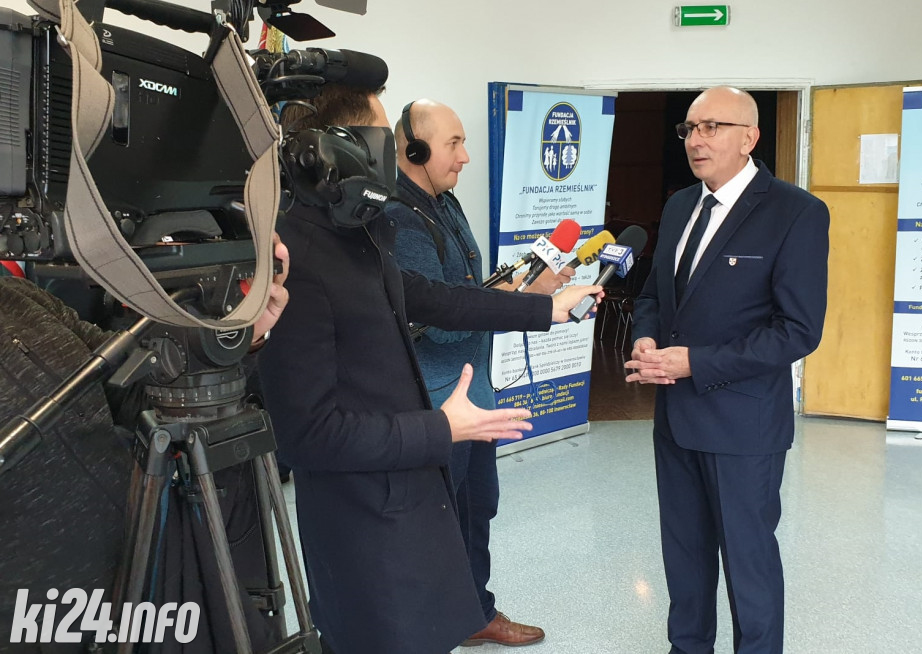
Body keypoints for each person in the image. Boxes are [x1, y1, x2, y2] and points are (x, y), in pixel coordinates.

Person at [259, 86, 602, 654]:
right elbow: (308, 435)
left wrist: (546, 309)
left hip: (401, 486)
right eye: (381, 138)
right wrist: (441, 428)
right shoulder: (299, 256)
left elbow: (437, 298)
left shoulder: (359, 236)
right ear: (342, 149)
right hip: (361, 515)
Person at [0, 237, 291, 652]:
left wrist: (230, 337)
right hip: (39, 625)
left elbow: (138, 395)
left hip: (152, 579)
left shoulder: (22, 298)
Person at [624, 86, 830, 654]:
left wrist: (696, 362)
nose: (696, 140)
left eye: (712, 127)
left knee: (748, 561)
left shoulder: (796, 212)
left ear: (749, 138)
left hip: (744, 427)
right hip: (675, 421)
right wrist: (646, 336)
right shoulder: (679, 206)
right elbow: (654, 295)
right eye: (689, 129)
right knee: (684, 556)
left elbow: (798, 330)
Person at [387, 99, 565, 648]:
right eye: (454, 144)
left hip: (476, 394)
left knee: (476, 506)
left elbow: (468, 292)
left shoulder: (444, 201)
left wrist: (524, 292)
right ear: (415, 150)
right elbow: (440, 324)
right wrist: (524, 306)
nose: (465, 156)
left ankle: (474, 613)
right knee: (442, 516)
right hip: (441, 403)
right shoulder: (399, 218)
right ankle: (434, 622)